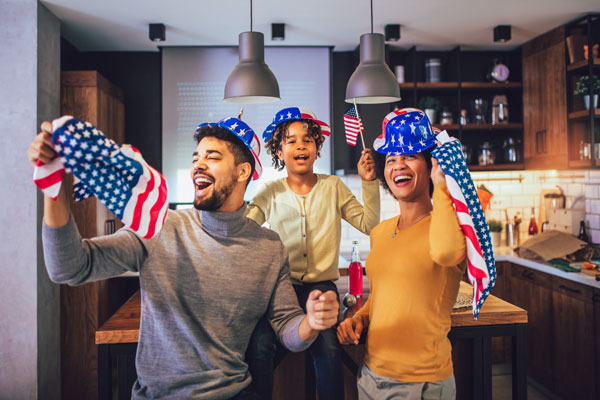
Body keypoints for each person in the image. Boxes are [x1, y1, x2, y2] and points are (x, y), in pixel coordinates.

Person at [27, 116, 340, 400]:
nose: (198, 166)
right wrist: (53, 189)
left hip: (233, 393)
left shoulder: (269, 248)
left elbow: (288, 328)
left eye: (212, 157)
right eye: (196, 158)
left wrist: (311, 322)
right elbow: (68, 267)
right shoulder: (160, 226)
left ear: (243, 171)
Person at [244, 107, 380, 400]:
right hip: (281, 290)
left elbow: (370, 225)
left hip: (321, 290)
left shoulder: (334, 187)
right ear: (279, 152)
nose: (300, 145)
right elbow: (241, 230)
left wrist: (369, 182)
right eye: (290, 140)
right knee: (260, 344)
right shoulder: (269, 191)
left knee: (328, 347)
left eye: (308, 139)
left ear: (317, 148)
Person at [337, 108, 467, 400]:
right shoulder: (382, 232)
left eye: (410, 156)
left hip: (421, 384)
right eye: (391, 159)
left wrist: (444, 184)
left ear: (430, 163)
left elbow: (446, 253)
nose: (398, 165)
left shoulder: (448, 225)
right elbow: (383, 297)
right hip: (370, 375)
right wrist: (361, 318)